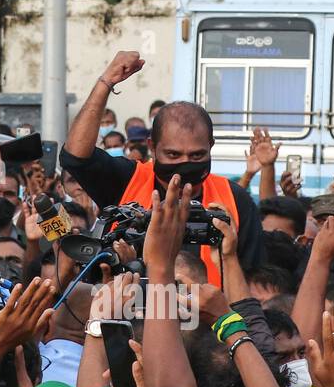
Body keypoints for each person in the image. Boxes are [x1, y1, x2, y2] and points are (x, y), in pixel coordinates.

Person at [59, 50, 265, 279]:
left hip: (213, 313)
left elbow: (253, 280)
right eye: (173, 155)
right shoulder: (127, 180)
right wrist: (106, 82)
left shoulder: (235, 200)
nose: (185, 165)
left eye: (196, 156)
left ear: (211, 147)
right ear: (152, 147)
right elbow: (75, 156)